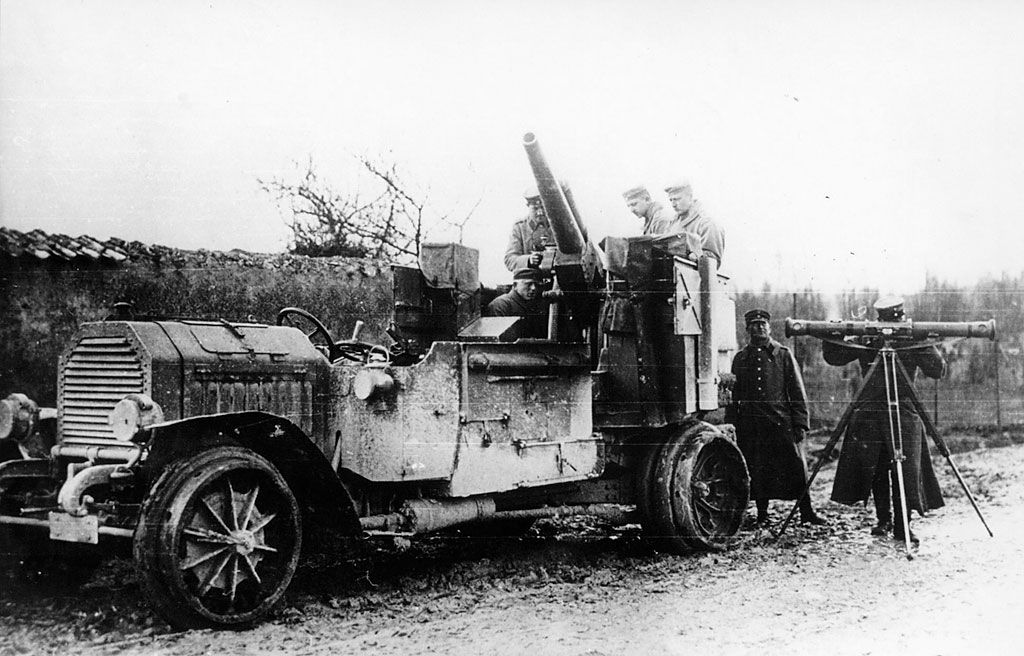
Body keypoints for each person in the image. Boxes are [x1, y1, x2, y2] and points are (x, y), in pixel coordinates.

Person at [822, 296, 946, 544]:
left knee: (906, 469)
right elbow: (834, 357)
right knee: (875, 466)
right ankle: (884, 519)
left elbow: (937, 369)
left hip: (903, 411)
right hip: (871, 412)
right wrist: (831, 330)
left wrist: (923, 340)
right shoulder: (869, 336)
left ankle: (903, 525)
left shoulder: (910, 337)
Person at [726, 309, 826, 527]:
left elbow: (797, 391)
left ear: (769, 328)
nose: (759, 327)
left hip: (781, 423)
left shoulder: (783, 354)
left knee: (797, 468)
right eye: (754, 324)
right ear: (747, 329)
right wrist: (732, 423)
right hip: (752, 426)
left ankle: (806, 511)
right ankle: (762, 515)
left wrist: (800, 422)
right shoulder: (741, 358)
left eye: (763, 324)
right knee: (758, 469)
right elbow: (735, 395)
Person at [664, 180, 725, 264]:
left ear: (690, 197)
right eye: (671, 200)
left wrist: (694, 256)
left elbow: (712, 262)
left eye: (677, 199)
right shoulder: (673, 223)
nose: (673, 204)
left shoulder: (706, 223)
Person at [485, 267, 549, 336]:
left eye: (536, 285)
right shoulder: (500, 305)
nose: (533, 288)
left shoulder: (532, 305)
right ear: (515, 285)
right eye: (528, 284)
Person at [504, 186, 553, 272]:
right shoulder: (519, 228)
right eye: (535, 208)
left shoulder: (557, 226)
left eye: (543, 207)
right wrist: (528, 260)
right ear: (528, 206)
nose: (540, 212)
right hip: (529, 278)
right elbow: (509, 259)